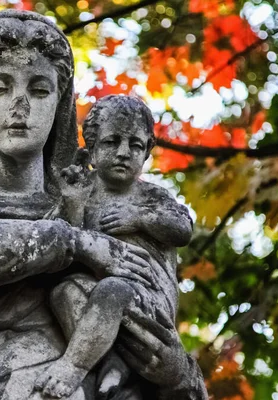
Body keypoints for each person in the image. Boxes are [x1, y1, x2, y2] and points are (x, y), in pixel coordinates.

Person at [0, 10, 208, 400]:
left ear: (60, 104)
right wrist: (73, 243)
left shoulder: (100, 212)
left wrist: (175, 374)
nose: (20, 105)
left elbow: (154, 321)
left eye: (40, 90)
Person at [35, 95, 195, 399]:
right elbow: (63, 250)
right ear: (92, 147)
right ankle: (109, 360)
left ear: (147, 151)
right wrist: (72, 203)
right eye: (112, 142)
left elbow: (183, 229)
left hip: (148, 300)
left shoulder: (150, 196)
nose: (124, 153)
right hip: (98, 296)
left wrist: (139, 218)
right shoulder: (84, 189)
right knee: (63, 291)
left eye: (135, 145)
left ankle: (73, 366)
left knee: (113, 290)